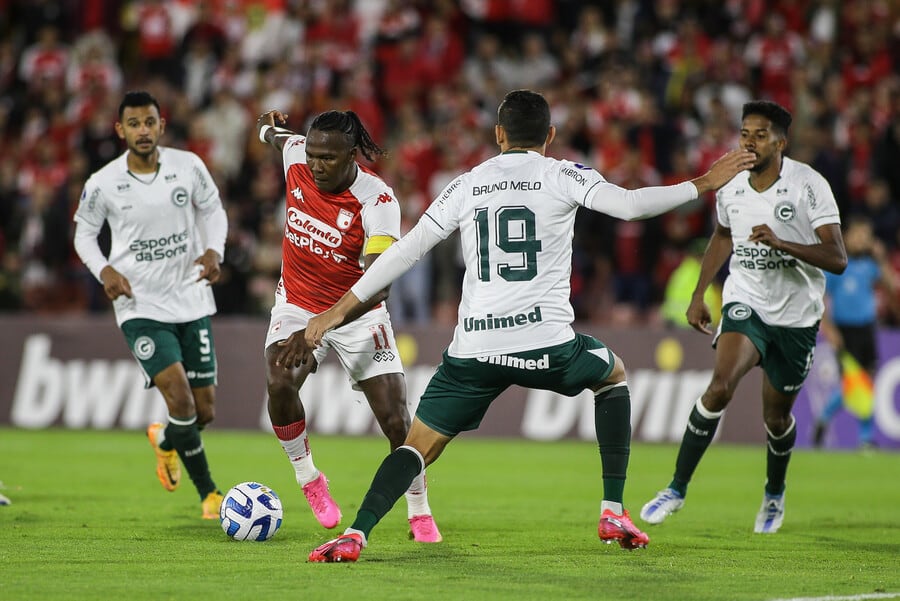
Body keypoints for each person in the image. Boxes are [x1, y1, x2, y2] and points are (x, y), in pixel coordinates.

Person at [301, 89, 754, 562]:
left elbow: (405, 251)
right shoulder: (562, 174)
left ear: (499, 135)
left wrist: (335, 312)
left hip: (474, 350)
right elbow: (631, 206)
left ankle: (355, 533)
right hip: (548, 345)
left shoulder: (467, 184)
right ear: (550, 136)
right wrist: (705, 181)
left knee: (416, 447)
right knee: (613, 374)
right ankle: (613, 509)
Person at [640, 100, 847, 534]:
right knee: (719, 388)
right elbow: (721, 235)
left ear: (780, 142)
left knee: (776, 418)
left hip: (796, 317)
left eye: (759, 135)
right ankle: (676, 489)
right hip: (745, 301)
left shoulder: (809, 185)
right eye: (744, 133)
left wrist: (782, 244)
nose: (749, 142)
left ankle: (774, 494)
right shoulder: (731, 183)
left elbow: (837, 257)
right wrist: (699, 294)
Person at [255, 108, 440, 542]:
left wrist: (323, 325)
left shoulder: (378, 201)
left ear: (353, 154)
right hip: (297, 303)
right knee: (279, 379)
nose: (316, 166)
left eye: (329, 159)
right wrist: (267, 124)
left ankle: (419, 509)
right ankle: (308, 479)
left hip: (358, 312)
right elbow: (275, 136)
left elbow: (378, 287)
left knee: (396, 421)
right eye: (313, 155)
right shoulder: (298, 154)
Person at [73, 91, 228, 519]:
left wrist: (214, 250)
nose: (143, 130)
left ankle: (165, 442)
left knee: (205, 410)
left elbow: (214, 211)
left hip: (192, 297)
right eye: (134, 124)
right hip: (139, 304)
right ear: (120, 130)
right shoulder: (103, 182)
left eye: (150, 122)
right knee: (180, 399)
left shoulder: (188, 166)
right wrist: (104, 271)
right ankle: (209, 494)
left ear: (162, 124)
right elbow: (84, 234)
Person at [814, 216, 897, 448]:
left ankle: (864, 438)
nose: (862, 240)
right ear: (847, 237)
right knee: (853, 383)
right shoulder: (838, 264)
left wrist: (881, 259)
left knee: (866, 382)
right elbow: (821, 298)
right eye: (858, 234)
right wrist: (829, 329)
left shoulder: (870, 265)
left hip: (867, 328)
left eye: (866, 236)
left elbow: (891, 286)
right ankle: (827, 420)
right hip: (845, 331)